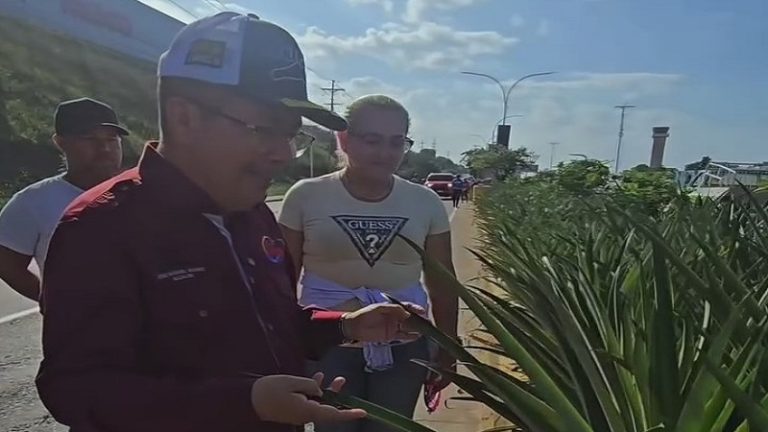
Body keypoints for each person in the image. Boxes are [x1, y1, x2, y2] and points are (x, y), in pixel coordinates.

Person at [36, 13, 418, 432]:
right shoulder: (102, 227)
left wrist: (344, 326)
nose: (283, 153)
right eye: (265, 129)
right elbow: (77, 390)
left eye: (290, 134)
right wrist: (246, 402)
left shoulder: (252, 213)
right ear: (184, 117)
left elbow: (274, 322)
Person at [279, 95, 459, 432]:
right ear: (344, 140)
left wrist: (448, 348)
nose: (384, 152)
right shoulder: (305, 195)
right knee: (334, 427)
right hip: (329, 343)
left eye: (396, 142)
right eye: (371, 140)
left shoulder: (425, 202)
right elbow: (281, 281)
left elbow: (443, 284)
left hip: (405, 342)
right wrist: (281, 346)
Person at [0, 97, 127, 301]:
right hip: (79, 330)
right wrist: (54, 302)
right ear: (61, 142)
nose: (104, 148)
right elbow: (6, 263)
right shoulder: (33, 202)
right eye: (90, 138)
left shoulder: (143, 192)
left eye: (112, 139)